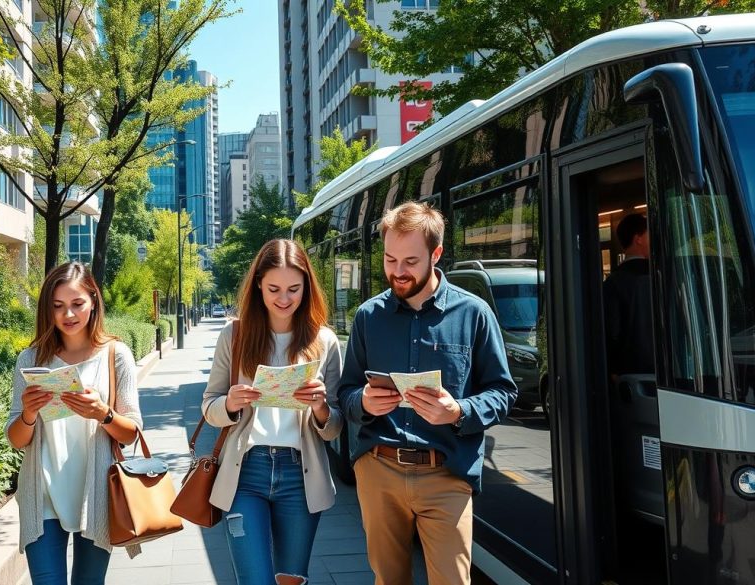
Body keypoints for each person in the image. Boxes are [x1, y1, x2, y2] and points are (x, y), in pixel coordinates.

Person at [338, 202, 518, 585]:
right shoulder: (369, 317)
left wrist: (459, 411)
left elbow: (503, 391)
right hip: (379, 469)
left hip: (447, 472)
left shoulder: (474, 314)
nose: (397, 272)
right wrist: (364, 403)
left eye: (410, 261)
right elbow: (347, 391)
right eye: (389, 259)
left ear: (435, 255)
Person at [202, 238, 343, 585]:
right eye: (274, 289)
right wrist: (231, 404)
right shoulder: (234, 335)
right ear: (258, 286)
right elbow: (209, 406)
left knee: (291, 579)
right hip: (245, 472)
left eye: (294, 289)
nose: (284, 299)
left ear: (306, 288)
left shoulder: (324, 341)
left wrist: (322, 407)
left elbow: (337, 426)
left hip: (300, 475)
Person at [7, 262, 143, 585]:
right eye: (58, 307)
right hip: (42, 497)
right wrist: (28, 413)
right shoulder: (30, 360)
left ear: (93, 301)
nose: (68, 314)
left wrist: (103, 414)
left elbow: (132, 432)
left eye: (77, 304)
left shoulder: (116, 355)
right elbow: (16, 438)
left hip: (96, 494)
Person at [603, 213, 654, 376]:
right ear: (638, 238)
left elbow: (612, 332)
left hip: (629, 375)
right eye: (649, 234)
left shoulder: (612, 283)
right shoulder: (659, 277)